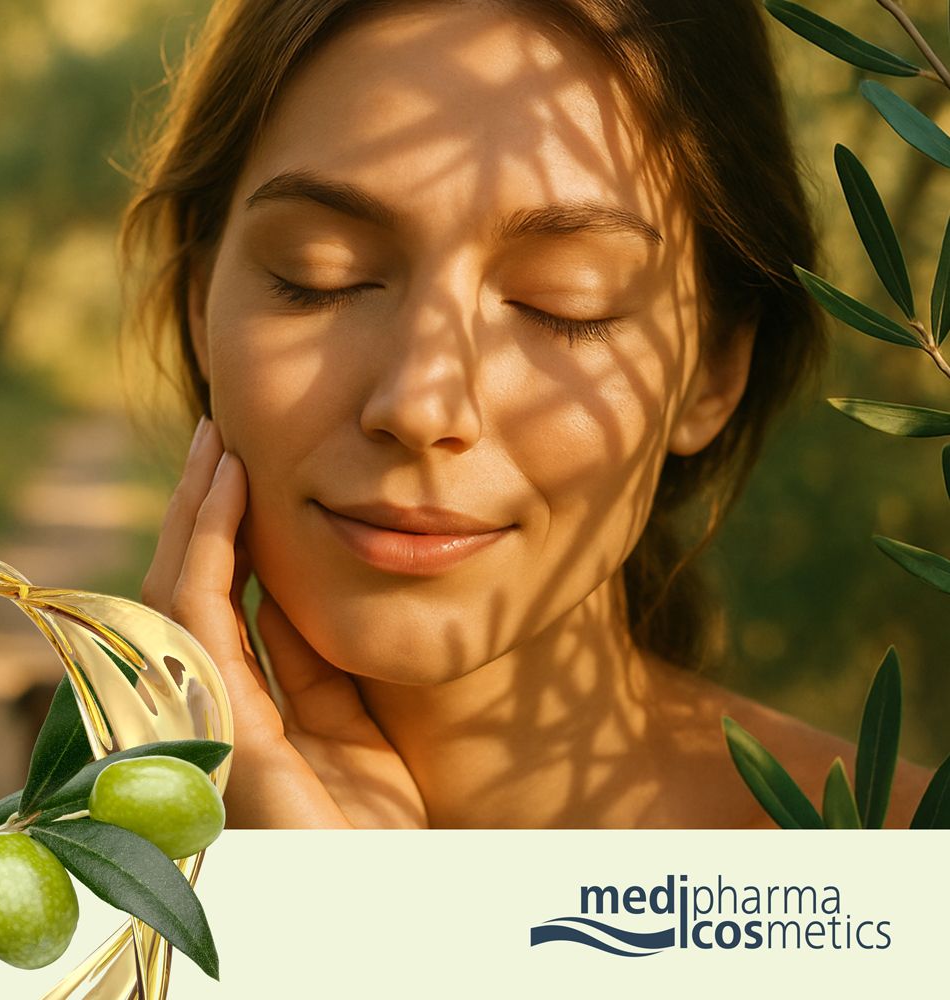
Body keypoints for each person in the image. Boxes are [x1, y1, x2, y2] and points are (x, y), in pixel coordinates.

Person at [123, 0, 928, 828]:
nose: (421, 401)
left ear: (713, 369)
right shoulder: (41, 898)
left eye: (563, 303)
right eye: (320, 273)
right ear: (200, 298)